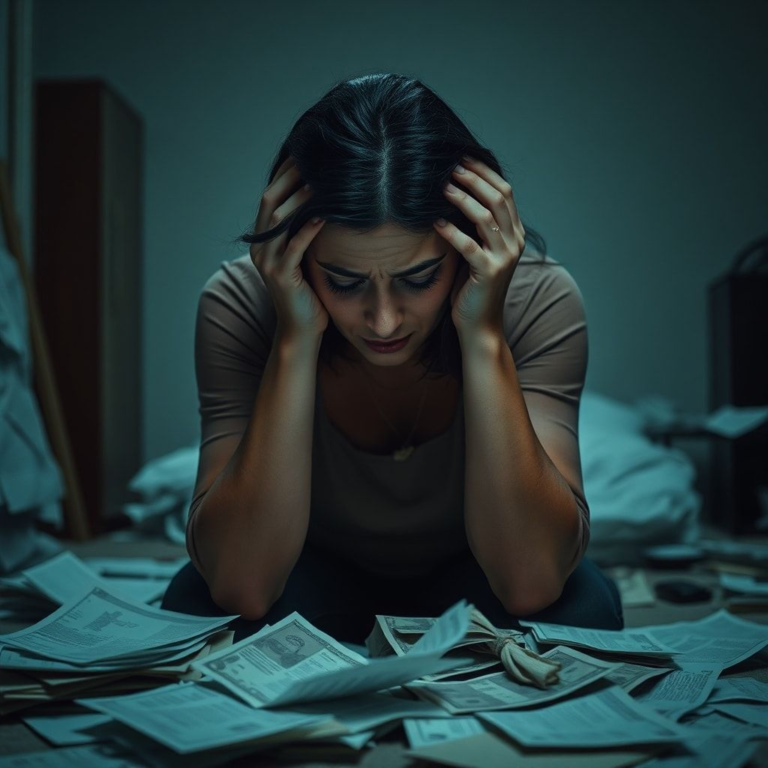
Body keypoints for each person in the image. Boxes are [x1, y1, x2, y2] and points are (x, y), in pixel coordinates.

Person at [161, 73, 623, 644]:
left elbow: (530, 580)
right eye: (344, 281)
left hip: (476, 572)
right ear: (297, 259)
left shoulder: (538, 297)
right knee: (199, 604)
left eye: (420, 277)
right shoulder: (241, 302)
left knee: (582, 609)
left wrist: (482, 334)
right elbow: (243, 584)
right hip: (308, 568)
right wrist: (293, 337)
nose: (383, 320)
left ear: (466, 243)